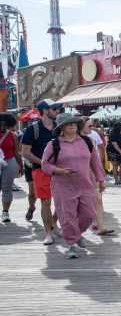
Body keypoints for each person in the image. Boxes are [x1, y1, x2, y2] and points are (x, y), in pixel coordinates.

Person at [41, 114, 106, 258]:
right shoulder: (54, 144)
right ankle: (71, 245)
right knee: (67, 216)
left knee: (88, 214)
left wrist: (101, 179)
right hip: (62, 186)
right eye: (68, 124)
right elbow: (45, 164)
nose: (72, 126)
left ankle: (77, 235)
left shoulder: (88, 142)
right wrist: (59, 171)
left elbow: (95, 162)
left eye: (75, 124)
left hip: (85, 185)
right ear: (61, 128)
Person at [21, 99, 60, 245]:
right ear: (45, 110)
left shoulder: (60, 127)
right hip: (41, 170)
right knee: (45, 201)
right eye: (55, 108)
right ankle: (48, 234)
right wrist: (44, 163)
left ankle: (54, 223)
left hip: (60, 170)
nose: (57, 111)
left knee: (63, 200)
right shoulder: (32, 129)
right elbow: (25, 152)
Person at [80, 118, 114, 236]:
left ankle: (101, 227)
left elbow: (95, 159)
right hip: (78, 175)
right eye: (89, 126)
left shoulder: (91, 140)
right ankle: (56, 221)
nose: (92, 128)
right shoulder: (73, 140)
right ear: (81, 127)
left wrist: (101, 177)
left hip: (92, 173)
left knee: (98, 199)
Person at [0, 113, 24, 222]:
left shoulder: (12, 135)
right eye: (0, 125)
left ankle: (5, 212)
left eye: (5, 125)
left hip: (9, 163)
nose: (2, 127)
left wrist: (21, 166)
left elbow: (17, 153)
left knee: (7, 188)